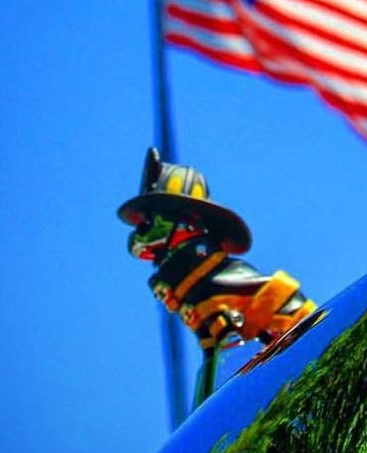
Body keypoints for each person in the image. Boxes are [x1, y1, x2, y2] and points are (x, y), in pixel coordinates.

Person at [117, 148, 316, 350]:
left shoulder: (229, 281)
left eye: (147, 223)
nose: (138, 237)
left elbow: (306, 320)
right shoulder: (193, 295)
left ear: (185, 224)